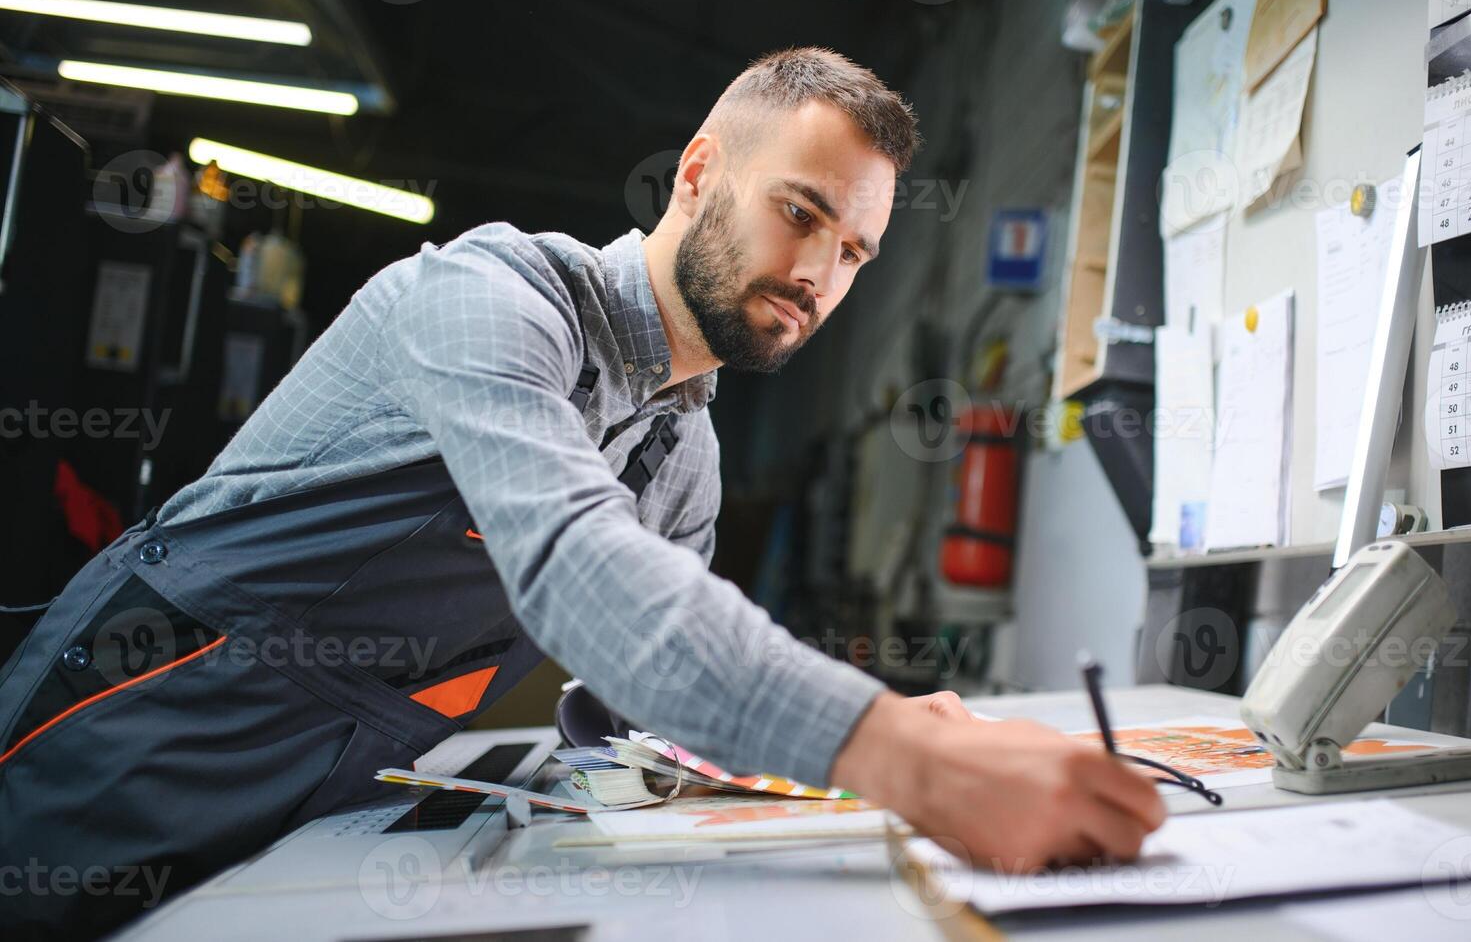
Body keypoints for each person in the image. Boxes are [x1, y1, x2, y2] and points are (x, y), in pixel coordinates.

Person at [0, 47, 1162, 937]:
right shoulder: (486, 298)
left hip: (316, 808)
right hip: (126, 746)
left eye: (853, 252)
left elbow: (641, 693)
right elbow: (577, 566)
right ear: (701, 173)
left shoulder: (682, 453)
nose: (817, 271)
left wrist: (862, 723)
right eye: (799, 211)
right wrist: (908, 758)